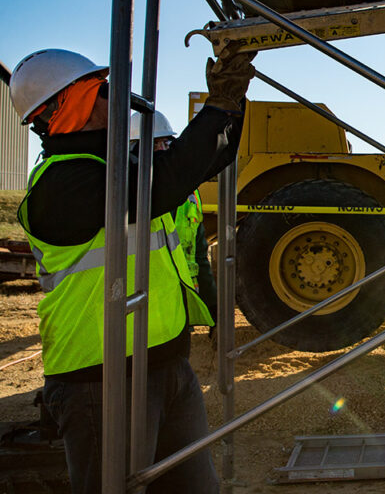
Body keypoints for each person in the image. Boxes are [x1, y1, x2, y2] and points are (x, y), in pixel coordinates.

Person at [12, 43, 256, 494]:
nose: (113, 96)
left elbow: (208, 161)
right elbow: (162, 184)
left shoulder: (113, 165)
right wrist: (218, 104)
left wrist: (232, 102)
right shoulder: (62, 182)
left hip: (166, 362)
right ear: (64, 105)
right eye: (100, 89)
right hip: (101, 380)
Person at [130, 110, 216, 320]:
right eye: (154, 144)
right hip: (140, 307)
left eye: (166, 143)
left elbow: (199, 256)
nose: (162, 150)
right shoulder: (125, 195)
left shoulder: (189, 195)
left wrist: (214, 308)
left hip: (178, 305)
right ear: (134, 149)